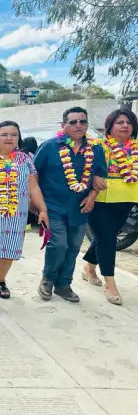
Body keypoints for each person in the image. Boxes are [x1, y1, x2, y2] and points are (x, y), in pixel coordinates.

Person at [35, 106, 107, 303]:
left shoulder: (96, 148)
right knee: (58, 244)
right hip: (53, 206)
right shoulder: (50, 147)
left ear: (87, 125)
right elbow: (33, 176)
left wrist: (92, 195)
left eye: (82, 121)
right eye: (73, 122)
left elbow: (100, 176)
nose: (78, 125)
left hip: (81, 207)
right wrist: (37, 206)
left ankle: (64, 284)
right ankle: (48, 279)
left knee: (74, 247)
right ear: (63, 125)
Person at [0, 121, 49, 315]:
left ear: (18, 138)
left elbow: (33, 187)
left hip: (16, 215)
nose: (9, 138)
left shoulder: (25, 160)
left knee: (9, 251)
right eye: (4, 134)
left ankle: (0, 280)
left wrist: (42, 209)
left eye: (13, 135)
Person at [81, 108, 138, 305]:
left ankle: (89, 268)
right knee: (107, 239)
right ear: (110, 126)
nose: (125, 126)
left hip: (127, 198)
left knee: (107, 237)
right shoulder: (99, 146)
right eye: (120, 122)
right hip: (100, 200)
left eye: (129, 122)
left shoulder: (136, 147)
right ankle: (110, 282)